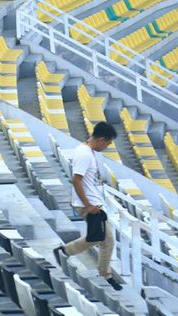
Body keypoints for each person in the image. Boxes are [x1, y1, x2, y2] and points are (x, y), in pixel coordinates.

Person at [53, 121, 122, 291]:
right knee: (106, 239)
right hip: (89, 205)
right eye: (108, 143)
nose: (107, 146)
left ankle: (65, 251)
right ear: (101, 139)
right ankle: (105, 275)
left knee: (98, 237)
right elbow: (76, 180)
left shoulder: (87, 151)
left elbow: (83, 178)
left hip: (92, 202)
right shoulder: (84, 154)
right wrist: (88, 205)